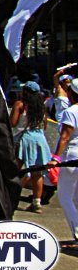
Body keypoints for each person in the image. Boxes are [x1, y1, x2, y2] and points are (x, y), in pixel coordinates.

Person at [10, 81, 52, 213]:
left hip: (24, 140)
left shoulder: (20, 105)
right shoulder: (41, 107)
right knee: (37, 173)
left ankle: (10, 197)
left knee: (14, 170)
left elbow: (12, 123)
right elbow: (44, 126)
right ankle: (36, 203)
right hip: (39, 140)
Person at [50, 77, 78, 248]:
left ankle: (77, 232)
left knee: (65, 196)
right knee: (76, 198)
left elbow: (65, 137)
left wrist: (55, 158)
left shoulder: (71, 111)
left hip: (71, 156)